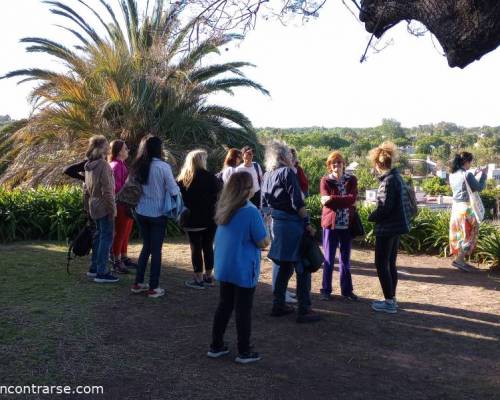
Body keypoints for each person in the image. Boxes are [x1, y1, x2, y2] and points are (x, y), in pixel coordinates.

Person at [208, 172, 270, 364]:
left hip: (224, 266)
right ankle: (244, 351)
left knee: (224, 305)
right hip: (243, 267)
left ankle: (216, 345)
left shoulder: (225, 207)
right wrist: (266, 225)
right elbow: (262, 242)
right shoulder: (250, 211)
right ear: (247, 189)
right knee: (243, 309)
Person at [261, 141, 320, 323]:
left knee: (283, 266)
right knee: (302, 265)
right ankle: (304, 309)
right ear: (281, 157)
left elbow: (263, 204)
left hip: (276, 225)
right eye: (289, 154)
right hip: (292, 225)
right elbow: (297, 202)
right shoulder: (287, 172)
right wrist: (307, 223)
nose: (292, 158)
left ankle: (278, 304)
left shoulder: (267, 175)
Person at [130, 136, 180, 298]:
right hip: (158, 213)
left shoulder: (138, 165)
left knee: (146, 246)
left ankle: (138, 283)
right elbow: (173, 190)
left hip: (140, 211)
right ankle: (153, 286)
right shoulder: (163, 166)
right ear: (159, 149)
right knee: (156, 251)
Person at [368, 142, 411, 314]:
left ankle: (389, 302)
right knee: (390, 264)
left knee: (381, 264)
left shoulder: (387, 181)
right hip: (397, 227)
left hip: (387, 229)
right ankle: (391, 298)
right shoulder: (397, 177)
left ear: (378, 164)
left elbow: (385, 208)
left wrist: (372, 217)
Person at [177, 149, 221, 289]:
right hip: (210, 217)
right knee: (208, 246)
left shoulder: (184, 179)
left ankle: (198, 278)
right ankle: (209, 276)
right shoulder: (211, 177)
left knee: (195, 248)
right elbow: (217, 195)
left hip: (192, 218)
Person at [319, 151, 359, 301]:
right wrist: (345, 200)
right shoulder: (325, 180)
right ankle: (325, 290)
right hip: (331, 225)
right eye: (333, 163)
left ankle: (347, 291)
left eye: (339, 162)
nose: (336, 165)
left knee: (345, 260)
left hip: (347, 225)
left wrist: (332, 199)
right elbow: (325, 201)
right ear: (330, 165)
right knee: (328, 259)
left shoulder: (351, 179)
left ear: (344, 164)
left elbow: (353, 198)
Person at [84, 135, 119, 283]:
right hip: (104, 206)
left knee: (99, 237)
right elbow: (108, 191)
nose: (109, 148)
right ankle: (102, 272)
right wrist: (112, 210)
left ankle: (94, 268)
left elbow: (85, 190)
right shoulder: (104, 165)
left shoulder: (88, 165)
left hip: (93, 205)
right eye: (106, 145)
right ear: (101, 147)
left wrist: (87, 207)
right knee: (106, 237)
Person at [449, 152, 487, 272]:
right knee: (471, 233)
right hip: (466, 208)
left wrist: (474, 174)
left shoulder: (452, 174)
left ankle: (460, 260)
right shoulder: (467, 174)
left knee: (460, 233)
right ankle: (459, 260)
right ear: (466, 162)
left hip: (456, 208)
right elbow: (480, 187)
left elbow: (464, 184)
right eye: (470, 162)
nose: (471, 164)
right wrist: (484, 174)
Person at [108, 139, 137, 274]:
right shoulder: (117, 166)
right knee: (120, 232)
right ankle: (117, 260)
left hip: (125, 203)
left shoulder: (121, 164)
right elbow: (116, 187)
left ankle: (123, 256)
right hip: (121, 203)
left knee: (125, 231)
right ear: (119, 151)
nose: (128, 151)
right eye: (125, 148)